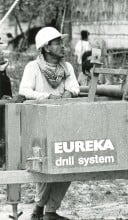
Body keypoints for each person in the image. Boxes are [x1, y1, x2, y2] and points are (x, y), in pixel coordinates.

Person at [19, 27, 79, 220]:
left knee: (69, 164)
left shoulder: (67, 67)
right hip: (40, 126)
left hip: (64, 124)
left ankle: (51, 211)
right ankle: (38, 208)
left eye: (62, 42)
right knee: (43, 167)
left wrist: (71, 92)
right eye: (57, 43)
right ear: (46, 47)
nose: (62, 46)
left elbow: (74, 86)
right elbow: (25, 90)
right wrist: (48, 96)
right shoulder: (33, 68)